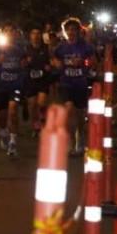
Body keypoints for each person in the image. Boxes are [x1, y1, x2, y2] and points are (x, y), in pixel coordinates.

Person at [51, 18, 96, 154]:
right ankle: (70, 140)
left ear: (78, 31)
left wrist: (84, 61)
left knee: (80, 115)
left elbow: (93, 60)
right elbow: (54, 58)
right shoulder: (61, 47)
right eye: (69, 30)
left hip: (80, 83)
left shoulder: (85, 46)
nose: (71, 32)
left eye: (74, 29)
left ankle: (80, 137)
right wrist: (56, 63)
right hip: (66, 83)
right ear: (65, 32)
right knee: (69, 110)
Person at [0, 25, 27, 157]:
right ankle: (3, 133)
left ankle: (13, 142)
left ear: (14, 33)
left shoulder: (20, 49)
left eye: (11, 31)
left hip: (15, 86)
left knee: (13, 112)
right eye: (5, 31)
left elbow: (24, 63)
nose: (9, 33)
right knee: (3, 115)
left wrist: (24, 64)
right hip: (0, 86)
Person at [24, 27, 53, 137]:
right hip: (30, 80)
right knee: (32, 105)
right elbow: (21, 63)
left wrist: (49, 66)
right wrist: (25, 63)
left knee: (41, 104)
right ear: (30, 35)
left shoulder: (46, 48)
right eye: (33, 33)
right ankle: (35, 126)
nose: (35, 36)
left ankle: (42, 122)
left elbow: (51, 60)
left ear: (40, 35)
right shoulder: (26, 49)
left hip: (43, 79)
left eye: (38, 33)